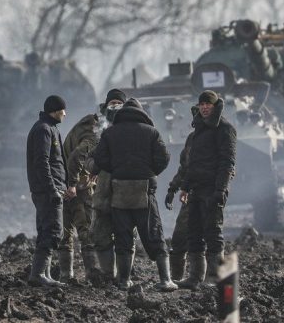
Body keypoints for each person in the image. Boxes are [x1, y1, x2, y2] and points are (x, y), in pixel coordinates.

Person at [92, 98, 177, 291]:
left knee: (123, 237)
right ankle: (165, 280)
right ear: (141, 113)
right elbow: (163, 158)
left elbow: (100, 159)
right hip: (145, 189)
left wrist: (117, 169)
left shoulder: (109, 132)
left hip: (119, 189)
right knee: (154, 234)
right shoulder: (151, 132)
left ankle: (124, 281)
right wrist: (149, 171)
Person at [177, 90, 236, 290]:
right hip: (195, 189)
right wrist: (184, 187)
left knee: (213, 233)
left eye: (208, 104)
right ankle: (195, 277)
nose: (204, 107)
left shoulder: (225, 129)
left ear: (215, 106)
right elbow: (192, 163)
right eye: (201, 104)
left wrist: (221, 189)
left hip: (213, 188)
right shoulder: (198, 131)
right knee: (193, 233)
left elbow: (227, 162)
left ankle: (216, 277)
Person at [26, 95, 72, 287]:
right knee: (53, 232)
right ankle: (37, 275)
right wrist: (53, 190)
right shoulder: (43, 130)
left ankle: (44, 274)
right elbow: (42, 163)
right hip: (47, 192)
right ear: (55, 110)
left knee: (46, 230)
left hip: (51, 190)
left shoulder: (50, 128)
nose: (65, 113)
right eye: (63, 110)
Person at [87, 89, 126, 280]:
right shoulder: (98, 130)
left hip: (127, 194)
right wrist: (96, 167)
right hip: (103, 192)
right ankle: (108, 274)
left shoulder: (135, 127)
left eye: (119, 102)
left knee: (125, 237)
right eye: (112, 102)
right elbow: (89, 158)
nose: (115, 105)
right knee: (99, 234)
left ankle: (124, 276)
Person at [57, 110, 100, 283]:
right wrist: (74, 184)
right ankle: (91, 275)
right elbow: (77, 157)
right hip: (79, 188)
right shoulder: (92, 134)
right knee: (86, 230)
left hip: (66, 184)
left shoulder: (80, 128)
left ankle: (66, 275)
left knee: (66, 232)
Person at [164, 106, 198, 281]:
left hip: (208, 194)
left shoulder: (218, 136)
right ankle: (177, 279)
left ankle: (208, 281)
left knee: (209, 240)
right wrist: (173, 188)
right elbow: (184, 167)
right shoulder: (192, 139)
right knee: (179, 238)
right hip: (191, 194)